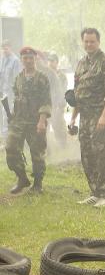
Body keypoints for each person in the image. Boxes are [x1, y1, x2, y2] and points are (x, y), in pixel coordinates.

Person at [69, 28, 105, 207]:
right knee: (87, 154)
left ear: (98, 42)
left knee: (102, 153)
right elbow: (77, 94)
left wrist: (104, 117)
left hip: (100, 115)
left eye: (92, 41)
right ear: (83, 42)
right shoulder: (81, 63)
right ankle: (95, 192)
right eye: (86, 41)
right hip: (84, 117)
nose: (89, 44)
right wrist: (73, 118)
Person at [5, 46, 51, 194]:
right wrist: (11, 116)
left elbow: (46, 101)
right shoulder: (19, 78)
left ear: (35, 59)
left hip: (35, 120)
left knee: (37, 153)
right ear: (21, 60)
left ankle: (38, 184)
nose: (28, 61)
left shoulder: (42, 78)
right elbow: (16, 98)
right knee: (11, 148)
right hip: (18, 120)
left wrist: (42, 121)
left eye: (31, 58)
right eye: (25, 58)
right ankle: (22, 178)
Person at [0, 40, 21, 141]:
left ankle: (9, 137)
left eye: (6, 47)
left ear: (10, 47)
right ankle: (5, 137)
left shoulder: (15, 60)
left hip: (11, 92)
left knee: (8, 113)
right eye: (3, 48)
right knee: (3, 113)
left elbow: (17, 77)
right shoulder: (2, 59)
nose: (4, 50)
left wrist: (16, 93)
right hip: (3, 91)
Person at [47, 52, 68, 148]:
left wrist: (60, 105)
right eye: (49, 61)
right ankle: (47, 145)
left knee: (59, 125)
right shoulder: (46, 75)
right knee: (46, 125)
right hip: (47, 104)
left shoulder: (61, 76)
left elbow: (63, 91)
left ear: (57, 62)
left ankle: (62, 145)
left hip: (58, 104)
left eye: (52, 61)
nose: (50, 63)